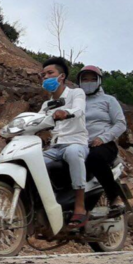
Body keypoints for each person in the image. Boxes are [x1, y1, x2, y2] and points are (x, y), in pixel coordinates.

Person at [37, 56, 89, 229]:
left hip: (76, 142)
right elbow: (35, 121)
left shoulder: (76, 93)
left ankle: (80, 206)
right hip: (54, 147)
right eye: (43, 75)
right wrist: (7, 130)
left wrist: (66, 112)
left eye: (50, 73)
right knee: (34, 163)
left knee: (73, 153)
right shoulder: (47, 104)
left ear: (62, 76)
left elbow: (79, 109)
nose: (45, 77)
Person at [79, 65, 128, 216]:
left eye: (92, 79)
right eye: (84, 79)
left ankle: (114, 198)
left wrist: (103, 138)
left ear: (99, 81)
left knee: (95, 157)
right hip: (80, 145)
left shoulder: (109, 100)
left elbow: (120, 124)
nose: (88, 82)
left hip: (104, 145)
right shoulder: (76, 102)